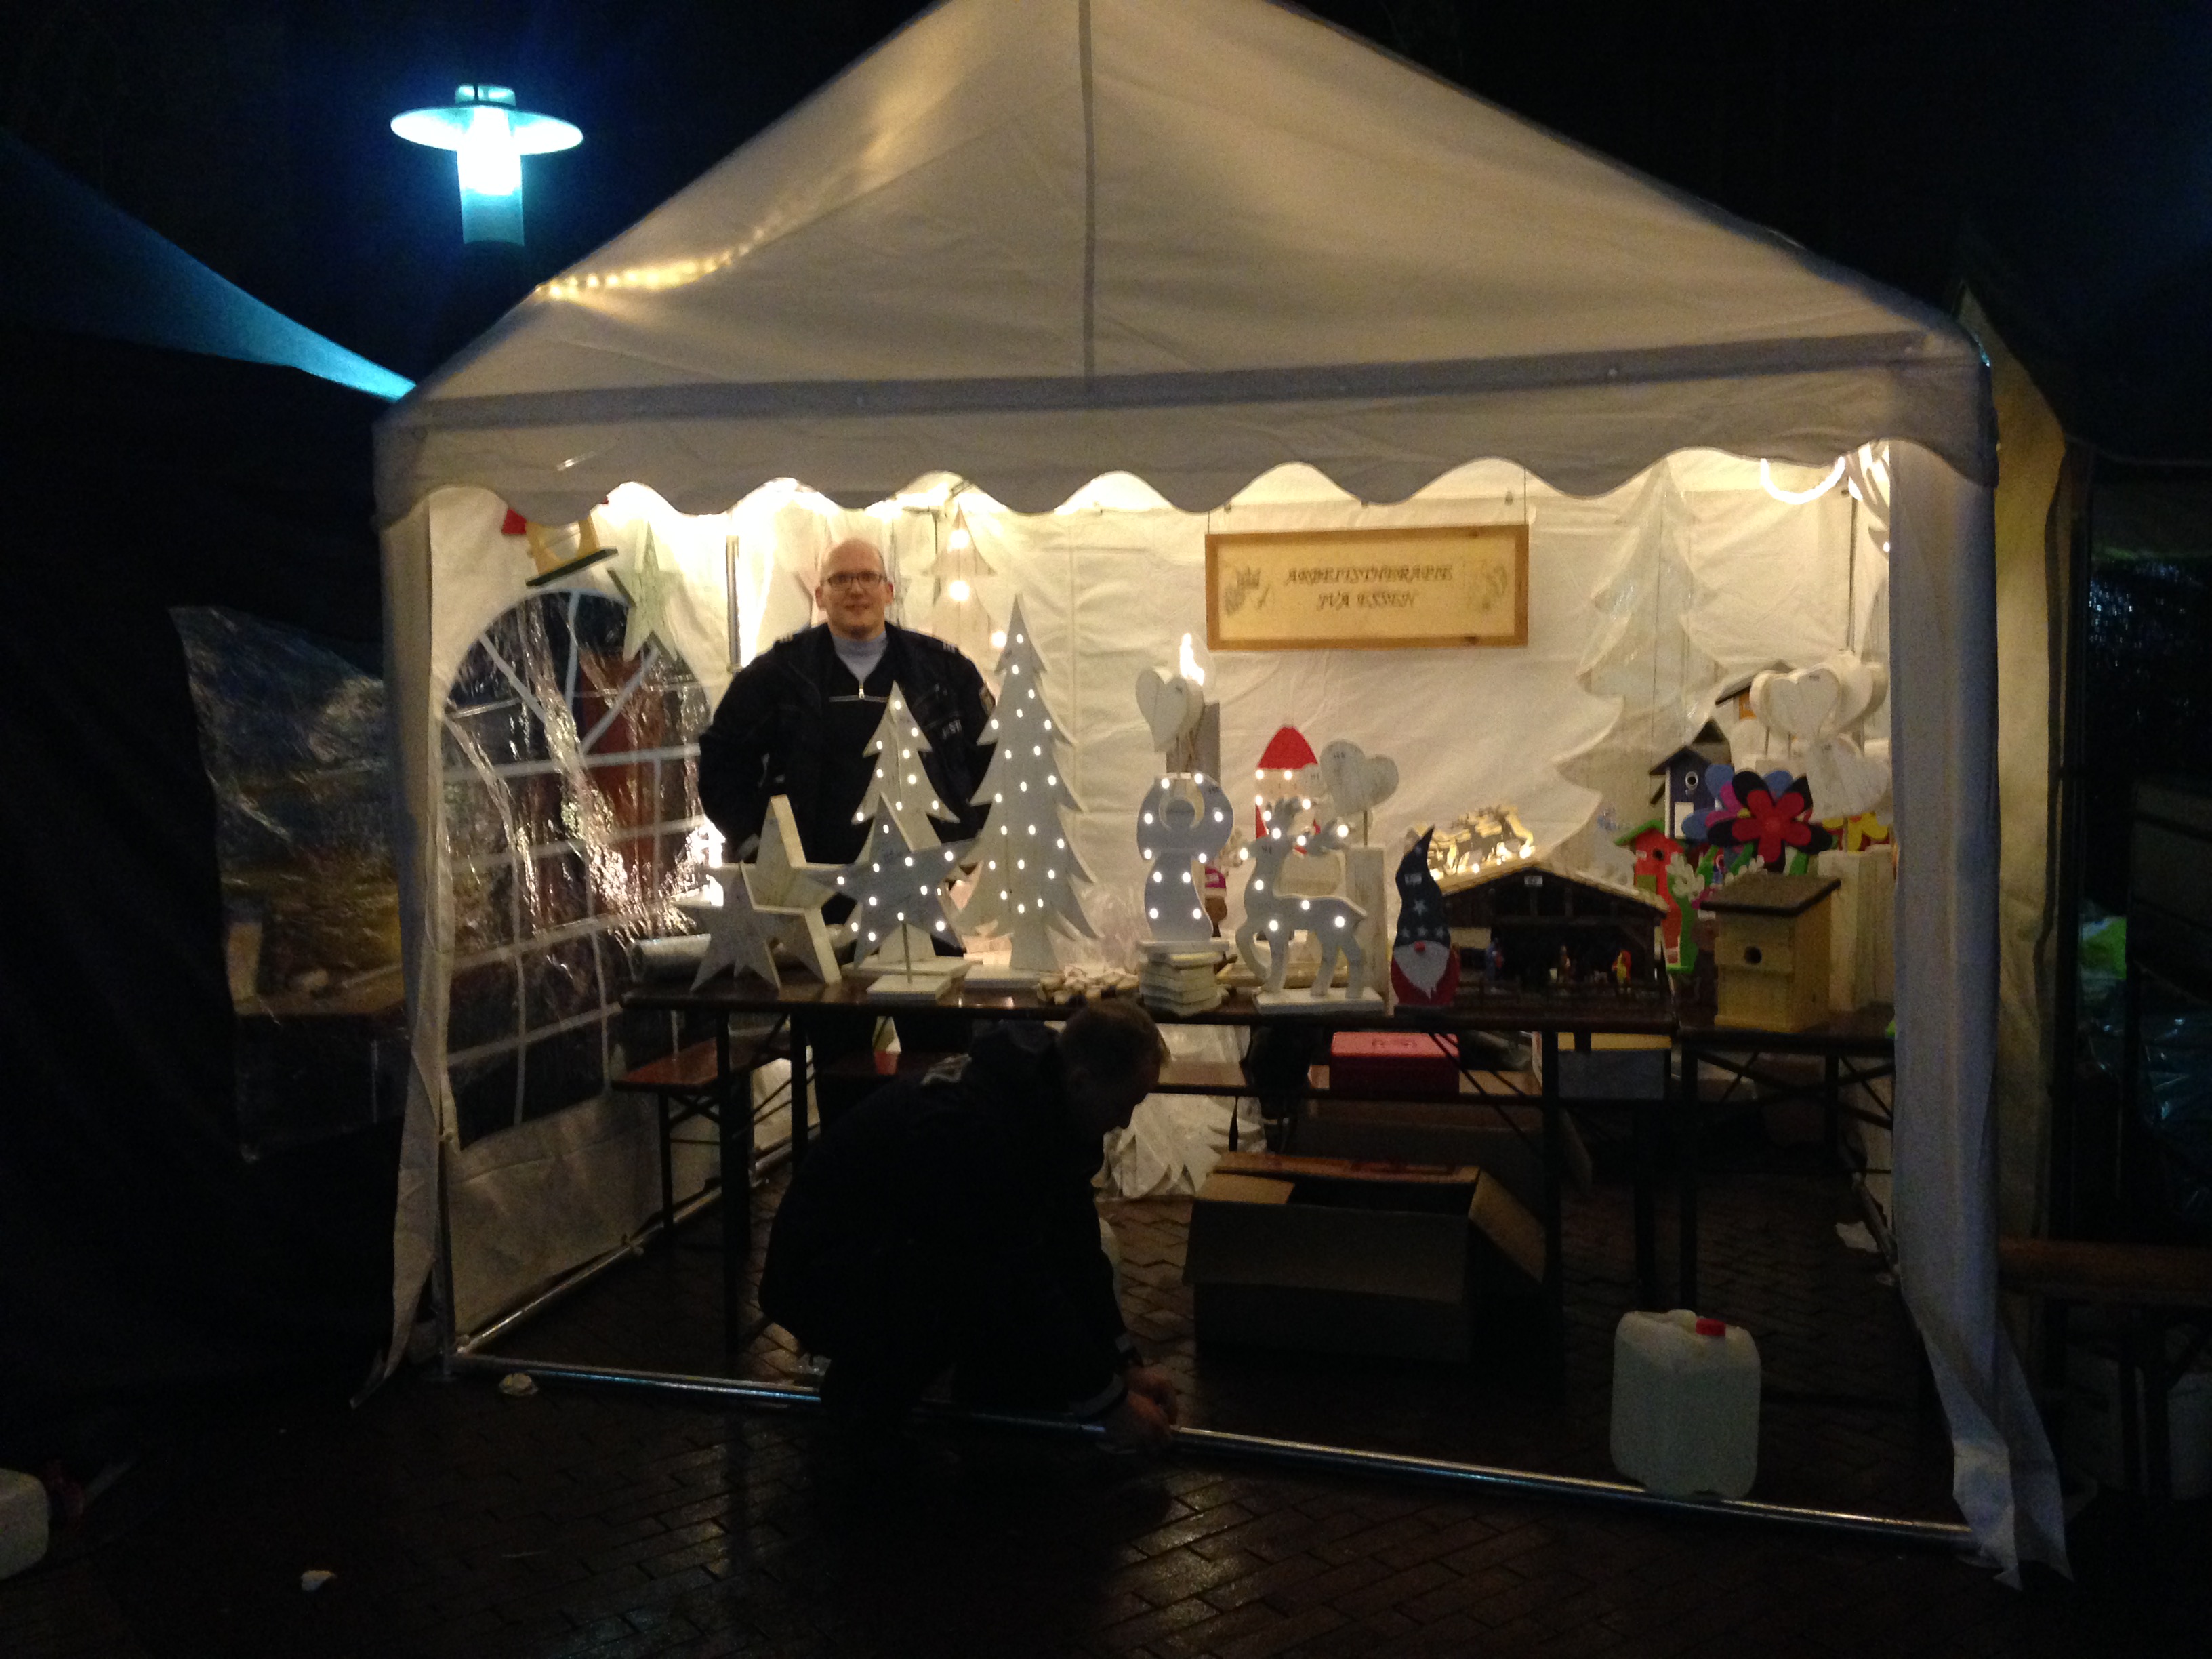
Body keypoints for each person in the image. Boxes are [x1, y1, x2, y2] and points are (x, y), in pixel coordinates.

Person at [759, 998, 1183, 1451]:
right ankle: (865, 1430)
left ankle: (973, 1428)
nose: (1125, 1122)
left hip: (872, 1250)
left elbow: (1075, 1246)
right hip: (821, 1269)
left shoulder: (1046, 1103)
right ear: (1081, 1081)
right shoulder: (979, 1123)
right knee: (966, 1294)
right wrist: (1108, 1403)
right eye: (1122, 1104)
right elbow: (1013, 1275)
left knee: (989, 1289)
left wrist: (1122, 1365)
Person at [698, 536, 995, 867]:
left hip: (925, 877)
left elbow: (992, 758)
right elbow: (721, 759)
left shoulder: (946, 670)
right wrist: (754, 845)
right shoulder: (777, 674)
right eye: (840, 579)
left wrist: (972, 839)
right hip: (808, 881)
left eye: (869, 577)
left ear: (889, 592)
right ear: (820, 596)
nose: (856, 590)